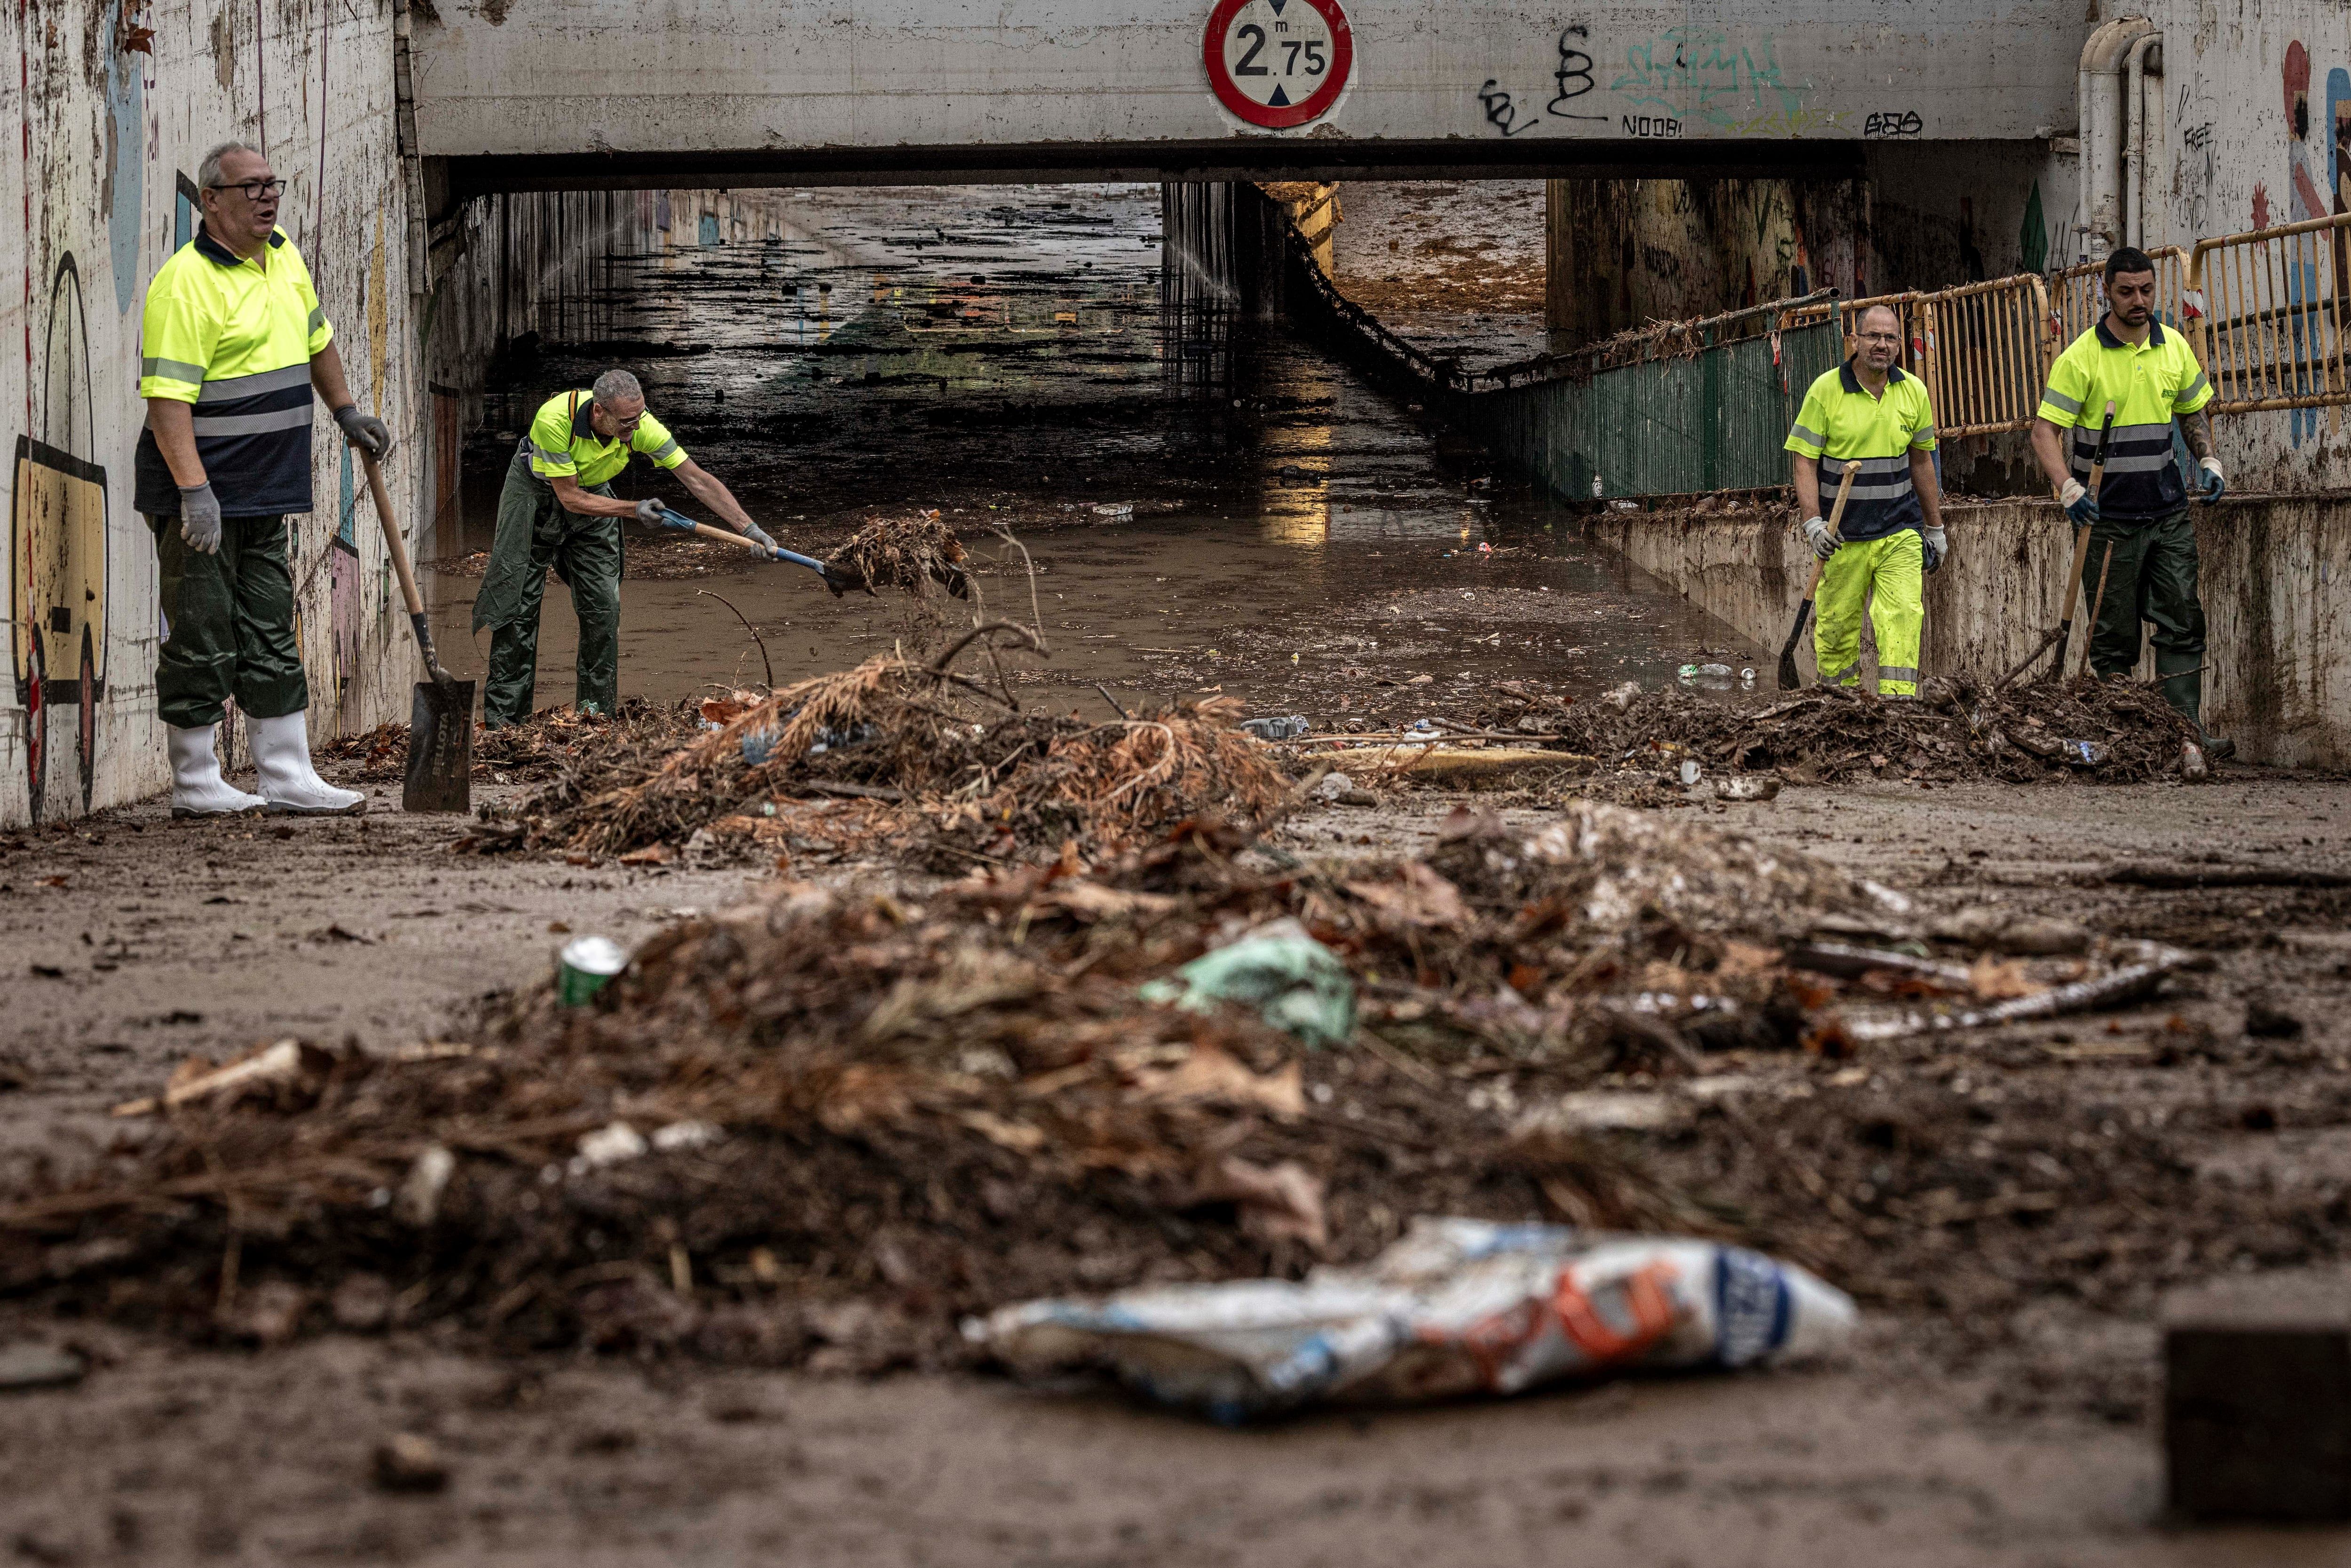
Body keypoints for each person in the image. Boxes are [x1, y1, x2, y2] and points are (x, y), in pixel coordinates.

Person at [135, 141, 389, 818]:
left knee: (271, 628)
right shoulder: (186, 284)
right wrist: (194, 492)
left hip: (265, 489)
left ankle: (287, 773)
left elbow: (317, 340)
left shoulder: (282, 256)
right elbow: (167, 401)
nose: (266, 196)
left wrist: (346, 411)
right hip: (203, 493)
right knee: (201, 630)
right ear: (210, 201)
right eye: (249, 187)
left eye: (271, 184)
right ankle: (196, 781)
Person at [473, 370, 774, 727]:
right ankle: (506, 723)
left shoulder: (641, 425)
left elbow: (697, 480)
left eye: (640, 416)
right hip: (535, 497)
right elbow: (569, 497)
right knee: (517, 608)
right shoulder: (554, 420)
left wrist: (749, 528)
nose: (636, 427)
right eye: (627, 422)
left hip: (595, 499)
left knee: (603, 607)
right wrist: (635, 509)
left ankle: (594, 716)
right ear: (599, 411)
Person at [2030, 246, 2230, 755]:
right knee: (2114, 634)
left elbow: (2191, 411)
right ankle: (2126, 736)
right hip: (2106, 519)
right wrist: (2068, 488)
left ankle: (2185, 732)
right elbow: (2044, 432)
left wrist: (2208, 460)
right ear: (2106, 292)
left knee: (2182, 618)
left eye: (2146, 290)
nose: (2138, 300)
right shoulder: (2081, 357)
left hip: (2167, 512)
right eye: (2126, 292)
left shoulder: (2173, 347)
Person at [1783, 303, 1947, 697]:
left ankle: (1898, 707)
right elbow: (1804, 461)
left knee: (1903, 616)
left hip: (1899, 531)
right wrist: (1813, 524)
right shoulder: (1826, 391)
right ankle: (1841, 706)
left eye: (1890, 338)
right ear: (1855, 340)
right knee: (1837, 631)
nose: (1882, 345)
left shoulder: (1914, 391)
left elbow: (1922, 461)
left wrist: (1935, 528)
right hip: (1842, 538)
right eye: (1873, 336)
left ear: (1899, 345)